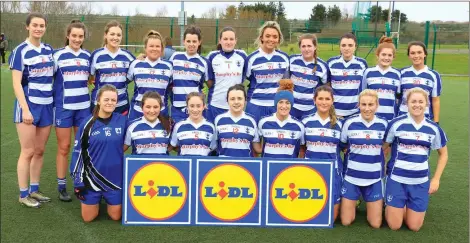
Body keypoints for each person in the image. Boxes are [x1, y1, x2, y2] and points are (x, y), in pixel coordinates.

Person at [383, 87, 448, 232]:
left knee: (414, 227)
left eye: (421, 102)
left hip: (420, 181)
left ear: (427, 104)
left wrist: (436, 179)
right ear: (407, 103)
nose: (417, 105)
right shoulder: (395, 124)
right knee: (395, 226)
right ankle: (392, 203)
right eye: (413, 101)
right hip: (397, 179)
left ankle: (404, 205)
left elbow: (443, 154)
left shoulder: (433, 128)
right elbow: (384, 147)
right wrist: (382, 169)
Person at [10, 12, 54, 208]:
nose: (38, 28)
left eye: (41, 25)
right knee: (27, 151)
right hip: (28, 106)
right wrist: (26, 110)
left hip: (47, 106)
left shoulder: (49, 50)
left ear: (45, 28)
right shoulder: (20, 50)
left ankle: (34, 189)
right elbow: (17, 84)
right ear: (27, 27)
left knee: (40, 150)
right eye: (35, 25)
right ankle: (23, 193)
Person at [70, 84, 128, 222]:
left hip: (115, 179)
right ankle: (96, 197)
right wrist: (78, 181)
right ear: (98, 100)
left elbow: (131, 140)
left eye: (113, 100)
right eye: (106, 99)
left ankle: (108, 197)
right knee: (88, 218)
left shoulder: (122, 121)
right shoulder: (87, 124)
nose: (110, 103)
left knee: (115, 216)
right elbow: (78, 153)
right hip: (92, 178)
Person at [52, 20, 91, 202]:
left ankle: (80, 182)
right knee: (64, 147)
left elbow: (91, 79)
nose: (77, 39)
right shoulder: (57, 55)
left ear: (84, 38)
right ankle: (61, 186)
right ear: (68, 35)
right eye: (74, 35)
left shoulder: (87, 56)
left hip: (83, 108)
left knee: (82, 146)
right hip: (64, 108)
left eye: (80, 36)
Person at [339, 89, 388, 229]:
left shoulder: (384, 124)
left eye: (371, 104)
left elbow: (386, 144)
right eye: (364, 104)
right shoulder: (349, 123)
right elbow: (343, 144)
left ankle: (367, 199)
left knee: (375, 224)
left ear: (377, 105)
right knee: (346, 221)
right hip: (351, 178)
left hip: (374, 179)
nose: (367, 108)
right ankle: (355, 199)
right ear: (358, 105)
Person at [300, 85, 342, 221]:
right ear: (314, 100)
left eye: (327, 99)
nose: (324, 102)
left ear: (332, 101)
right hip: (310, 170)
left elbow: (345, 148)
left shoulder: (340, 124)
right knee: (308, 214)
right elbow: (302, 148)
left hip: (333, 170)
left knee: (331, 218)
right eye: (320, 98)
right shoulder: (305, 122)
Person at [245, 21, 289, 123]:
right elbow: (247, 80)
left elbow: (285, 83)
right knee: (254, 138)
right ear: (262, 38)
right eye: (267, 36)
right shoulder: (251, 58)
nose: (271, 39)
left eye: (275, 37)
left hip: (276, 106)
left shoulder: (284, 58)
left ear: (278, 39)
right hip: (255, 105)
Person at [89, 20, 135, 116]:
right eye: (112, 34)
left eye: (118, 35)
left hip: (121, 103)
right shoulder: (97, 55)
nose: (115, 37)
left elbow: (132, 75)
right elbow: (90, 77)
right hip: (100, 104)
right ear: (106, 35)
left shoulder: (128, 56)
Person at [127, 30, 172, 121]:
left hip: (161, 113)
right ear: (145, 48)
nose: (154, 49)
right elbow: (124, 82)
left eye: (157, 46)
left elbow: (172, 88)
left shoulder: (169, 66)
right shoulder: (135, 64)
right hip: (138, 112)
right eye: (151, 46)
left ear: (162, 48)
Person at [205, 27, 247, 123]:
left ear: (236, 41)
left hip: (236, 106)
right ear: (220, 40)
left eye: (231, 39)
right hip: (215, 105)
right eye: (225, 39)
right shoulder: (212, 56)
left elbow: (243, 78)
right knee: (214, 136)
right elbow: (209, 81)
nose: (228, 42)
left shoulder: (242, 56)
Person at [254, 79, 305, 158]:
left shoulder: (299, 126)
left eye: (287, 103)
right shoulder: (263, 122)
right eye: (280, 102)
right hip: (268, 168)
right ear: (275, 104)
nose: (284, 106)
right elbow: (257, 145)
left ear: (291, 104)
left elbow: (302, 150)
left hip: (289, 169)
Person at [169, 25, 209, 124]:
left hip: (196, 108)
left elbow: (209, 84)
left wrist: (204, 98)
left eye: (194, 41)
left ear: (199, 42)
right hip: (177, 108)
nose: (191, 44)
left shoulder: (204, 62)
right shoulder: (175, 57)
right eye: (188, 41)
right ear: (184, 41)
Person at [398, 41, 442, 123]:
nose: (416, 56)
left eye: (419, 52)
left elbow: (435, 100)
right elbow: (397, 97)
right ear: (409, 56)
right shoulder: (401, 73)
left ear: (425, 54)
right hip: (403, 118)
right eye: (412, 53)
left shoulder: (434, 75)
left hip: (425, 119)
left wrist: (436, 122)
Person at [327, 33, 368, 120]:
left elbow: (365, 87)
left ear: (355, 47)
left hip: (355, 112)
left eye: (350, 45)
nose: (346, 48)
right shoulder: (331, 63)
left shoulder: (362, 64)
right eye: (343, 45)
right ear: (339, 47)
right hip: (335, 112)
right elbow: (327, 85)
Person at [289, 33, 328, 119]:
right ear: (300, 48)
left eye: (309, 46)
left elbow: (326, 87)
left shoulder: (322, 66)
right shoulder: (292, 60)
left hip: (311, 108)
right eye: (303, 46)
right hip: (292, 107)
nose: (306, 49)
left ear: (315, 47)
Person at [214, 84, 260, 157]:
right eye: (232, 99)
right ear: (227, 100)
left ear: (245, 100)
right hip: (223, 166)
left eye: (239, 98)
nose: (236, 102)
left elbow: (257, 149)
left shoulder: (252, 120)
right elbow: (213, 147)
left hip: (245, 166)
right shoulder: (219, 120)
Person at [362, 36, 401, 121]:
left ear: (393, 57)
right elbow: (362, 95)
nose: (386, 58)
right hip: (371, 118)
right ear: (377, 55)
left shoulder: (397, 74)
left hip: (391, 119)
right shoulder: (368, 72)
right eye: (383, 54)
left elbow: (398, 99)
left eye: (389, 55)